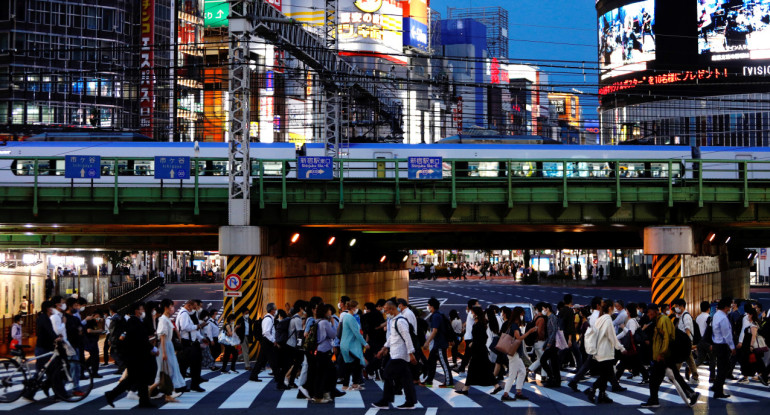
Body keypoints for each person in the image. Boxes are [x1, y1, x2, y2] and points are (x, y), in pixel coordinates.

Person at [640, 303, 700, 409]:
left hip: (664, 356)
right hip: (665, 355)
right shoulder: (658, 321)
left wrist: (662, 353)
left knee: (655, 378)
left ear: (655, 311)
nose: (648, 315)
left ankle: (654, 400)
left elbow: (666, 338)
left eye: (649, 313)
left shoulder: (663, 320)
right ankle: (691, 394)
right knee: (671, 377)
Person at [104, 302, 158, 408]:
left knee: (138, 378)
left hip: (135, 355)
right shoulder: (134, 322)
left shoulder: (135, 321)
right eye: (141, 309)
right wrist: (153, 348)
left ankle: (143, 401)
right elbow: (141, 339)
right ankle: (111, 394)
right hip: (135, 356)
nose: (143, 311)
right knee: (134, 378)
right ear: (136, 311)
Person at [371, 301, 418, 410]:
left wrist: (411, 353)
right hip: (397, 353)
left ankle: (386, 400)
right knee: (406, 379)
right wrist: (384, 348)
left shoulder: (400, 321)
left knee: (387, 374)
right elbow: (393, 337)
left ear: (392, 309)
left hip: (399, 354)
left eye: (386, 310)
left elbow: (407, 337)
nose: (385, 312)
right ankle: (410, 401)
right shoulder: (394, 320)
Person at [583, 300, 625, 404]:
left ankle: (602, 395)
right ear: (610, 308)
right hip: (606, 352)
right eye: (613, 307)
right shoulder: (607, 319)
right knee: (606, 375)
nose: (614, 309)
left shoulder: (600, 319)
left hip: (598, 351)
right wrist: (621, 348)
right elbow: (612, 336)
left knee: (605, 374)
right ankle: (592, 389)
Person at [23, 301, 60, 401]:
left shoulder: (44, 318)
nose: (54, 309)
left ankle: (56, 392)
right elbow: (49, 331)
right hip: (43, 348)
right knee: (41, 372)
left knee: (47, 371)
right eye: (53, 307)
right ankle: (29, 393)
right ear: (48, 308)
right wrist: (56, 338)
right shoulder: (44, 318)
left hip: (45, 347)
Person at [150, 299, 185, 403]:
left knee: (168, 370)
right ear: (166, 307)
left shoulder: (166, 319)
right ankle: (168, 393)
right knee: (168, 370)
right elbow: (162, 337)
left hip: (168, 346)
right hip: (165, 346)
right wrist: (164, 352)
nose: (173, 308)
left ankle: (166, 392)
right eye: (171, 306)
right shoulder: (163, 320)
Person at [498, 306, 536, 401]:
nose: (523, 316)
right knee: (512, 374)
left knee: (522, 371)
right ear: (518, 315)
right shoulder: (514, 325)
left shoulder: (513, 324)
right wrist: (529, 332)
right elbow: (518, 338)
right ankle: (506, 394)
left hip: (515, 353)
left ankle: (518, 392)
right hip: (514, 353)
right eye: (522, 314)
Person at [456, 307, 496, 395]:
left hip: (478, 350)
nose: (472, 314)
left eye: (473, 313)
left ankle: (466, 388)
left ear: (477, 314)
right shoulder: (480, 323)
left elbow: (481, 337)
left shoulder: (479, 324)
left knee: (472, 368)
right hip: (480, 350)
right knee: (486, 368)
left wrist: (473, 343)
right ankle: (496, 386)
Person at [176, 299, 206, 392]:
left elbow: (193, 331)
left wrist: (201, 338)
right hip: (186, 342)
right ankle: (181, 385)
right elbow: (185, 327)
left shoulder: (189, 314)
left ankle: (194, 384)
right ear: (189, 305)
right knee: (184, 365)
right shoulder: (184, 314)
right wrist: (197, 326)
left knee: (196, 363)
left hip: (193, 342)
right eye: (194, 307)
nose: (195, 309)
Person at [422, 297, 453, 388]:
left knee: (444, 363)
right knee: (431, 362)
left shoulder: (436, 316)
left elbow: (434, 331)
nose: (427, 307)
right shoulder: (438, 314)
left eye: (428, 305)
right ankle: (429, 380)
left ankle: (449, 382)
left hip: (440, 344)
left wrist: (427, 342)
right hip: (437, 344)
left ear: (432, 307)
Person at [340, 300, 368, 391]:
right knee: (356, 364)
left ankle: (349, 385)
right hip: (350, 345)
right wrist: (365, 343)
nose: (357, 309)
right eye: (356, 307)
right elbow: (356, 332)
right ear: (352, 308)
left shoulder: (346, 317)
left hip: (346, 344)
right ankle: (352, 384)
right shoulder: (351, 318)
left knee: (349, 364)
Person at [313, 304, 338, 404]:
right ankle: (320, 395)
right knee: (327, 373)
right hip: (325, 350)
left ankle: (325, 393)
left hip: (319, 349)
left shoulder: (318, 321)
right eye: (329, 311)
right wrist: (333, 324)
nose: (330, 312)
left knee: (323, 373)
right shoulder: (325, 323)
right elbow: (333, 334)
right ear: (325, 312)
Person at [250, 302, 279, 383]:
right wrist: (274, 341)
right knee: (273, 360)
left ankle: (253, 375)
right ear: (272, 310)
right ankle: (278, 378)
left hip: (266, 341)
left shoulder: (269, 318)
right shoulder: (268, 319)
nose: (276, 311)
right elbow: (266, 332)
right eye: (275, 309)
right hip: (267, 341)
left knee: (261, 360)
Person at [672, 299, 699, 383]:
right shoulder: (682, 315)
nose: (676, 308)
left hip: (685, 341)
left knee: (679, 358)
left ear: (682, 306)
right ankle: (695, 377)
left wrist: (685, 342)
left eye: (677, 306)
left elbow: (687, 330)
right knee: (689, 359)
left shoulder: (686, 316)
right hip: (685, 341)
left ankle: (674, 376)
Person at [539, 303, 562, 388]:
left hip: (553, 344)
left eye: (543, 309)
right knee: (554, 363)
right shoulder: (549, 318)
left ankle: (552, 378)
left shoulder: (552, 317)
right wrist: (545, 344)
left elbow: (554, 331)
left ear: (547, 309)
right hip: (552, 343)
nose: (543, 311)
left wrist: (549, 343)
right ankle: (556, 380)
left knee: (543, 360)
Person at [457, 299, 479, 372]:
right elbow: (477, 318)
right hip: (470, 337)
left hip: (469, 337)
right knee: (468, 354)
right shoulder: (472, 313)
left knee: (469, 354)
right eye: (477, 304)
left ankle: (462, 368)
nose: (479, 305)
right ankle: (462, 368)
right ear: (473, 306)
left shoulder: (470, 312)